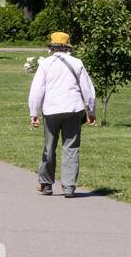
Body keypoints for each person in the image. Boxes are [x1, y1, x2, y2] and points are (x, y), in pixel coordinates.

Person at [27, 31, 96, 197]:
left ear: (51, 46)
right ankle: (69, 186)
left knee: (49, 147)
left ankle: (46, 184)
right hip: (73, 109)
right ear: (68, 46)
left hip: (51, 110)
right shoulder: (77, 62)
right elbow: (87, 89)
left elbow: (37, 90)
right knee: (71, 147)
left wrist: (33, 112)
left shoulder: (45, 64)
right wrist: (91, 111)